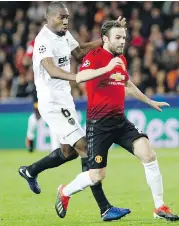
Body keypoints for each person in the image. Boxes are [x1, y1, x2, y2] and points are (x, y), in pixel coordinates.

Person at [55, 20, 179, 222]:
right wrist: (107, 68)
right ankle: (65, 191)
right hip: (99, 125)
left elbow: (127, 84)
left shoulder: (120, 58)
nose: (123, 41)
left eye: (124, 37)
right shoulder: (94, 57)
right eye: (118, 38)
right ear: (105, 39)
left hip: (120, 121)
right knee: (96, 176)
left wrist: (149, 101)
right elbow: (81, 76)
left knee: (148, 154)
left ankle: (159, 207)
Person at [18, 1, 130, 221]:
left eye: (67, 17)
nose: (66, 21)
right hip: (51, 103)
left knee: (68, 152)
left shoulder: (64, 34)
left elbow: (78, 53)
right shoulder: (43, 41)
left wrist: (106, 39)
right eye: (61, 17)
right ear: (48, 18)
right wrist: (76, 77)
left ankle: (30, 171)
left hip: (65, 100)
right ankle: (105, 208)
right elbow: (50, 69)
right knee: (85, 148)